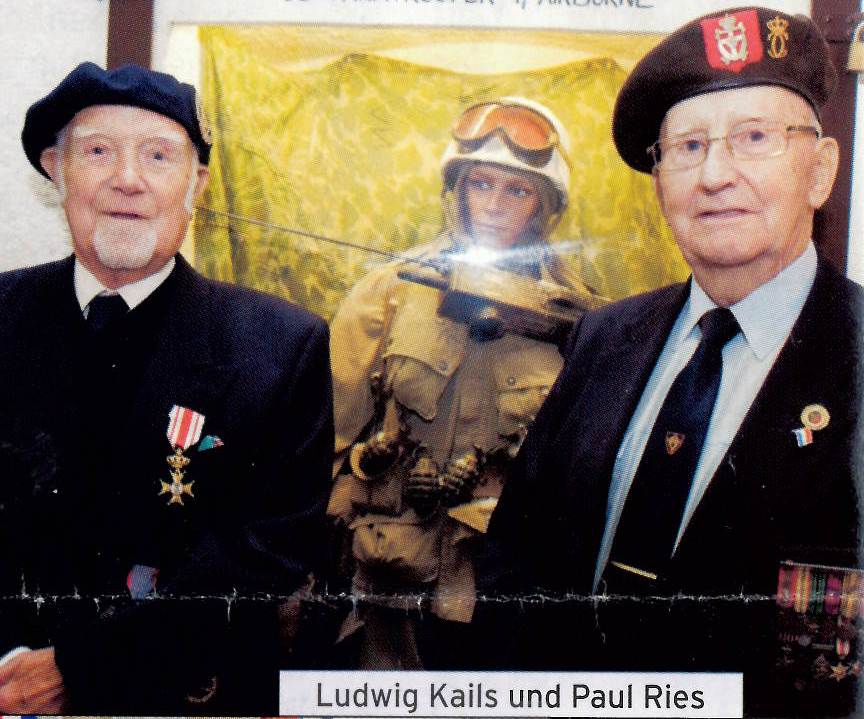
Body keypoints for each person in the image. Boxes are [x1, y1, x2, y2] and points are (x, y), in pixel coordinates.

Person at [489, 8, 862, 716]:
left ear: (820, 171)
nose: (715, 175)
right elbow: (515, 559)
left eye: (754, 138)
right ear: (659, 182)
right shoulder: (605, 337)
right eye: (688, 147)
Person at [0, 62, 333, 715]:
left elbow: (267, 553)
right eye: (98, 152)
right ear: (56, 169)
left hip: (180, 693)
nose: (127, 179)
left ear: (196, 183)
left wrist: (80, 667)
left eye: (158, 156)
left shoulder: (279, 345)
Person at [326, 98, 593, 668]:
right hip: (395, 578)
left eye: (517, 191)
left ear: (544, 207)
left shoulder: (579, 319)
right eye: (481, 184)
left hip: (506, 584)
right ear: (458, 191)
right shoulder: (392, 290)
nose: (494, 205)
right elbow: (334, 436)